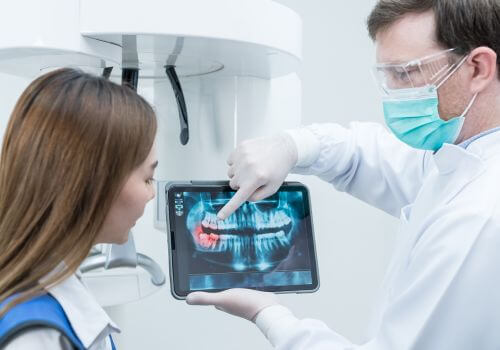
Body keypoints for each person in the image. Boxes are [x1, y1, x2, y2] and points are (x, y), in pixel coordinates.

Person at [186, 0, 500, 348]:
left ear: (478, 68)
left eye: (405, 73)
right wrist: (294, 145)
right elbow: (368, 155)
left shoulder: (479, 215)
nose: (392, 94)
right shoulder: (462, 159)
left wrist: (270, 315)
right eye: (386, 76)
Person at [0, 68, 158, 349]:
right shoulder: (35, 337)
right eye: (147, 178)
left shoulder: (50, 287)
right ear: (94, 182)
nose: (152, 193)